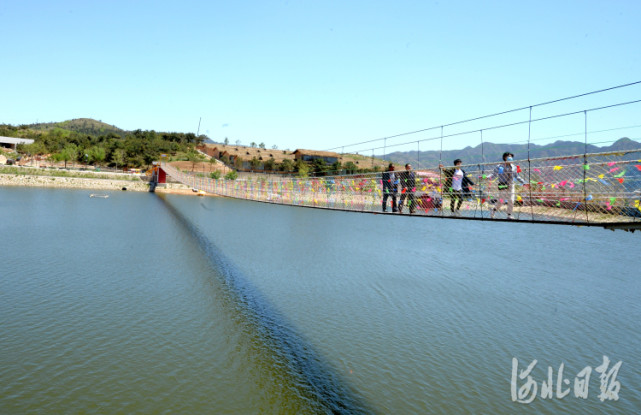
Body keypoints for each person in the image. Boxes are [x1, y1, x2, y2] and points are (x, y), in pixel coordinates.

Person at [486, 152, 527, 219]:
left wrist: (524, 182)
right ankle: (494, 210)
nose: (510, 158)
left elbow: (517, 176)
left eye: (511, 156)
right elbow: (493, 175)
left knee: (511, 200)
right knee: (501, 201)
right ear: (504, 158)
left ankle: (509, 214)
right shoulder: (499, 166)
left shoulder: (514, 167)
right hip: (503, 185)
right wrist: (486, 177)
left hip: (511, 185)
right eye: (508, 156)